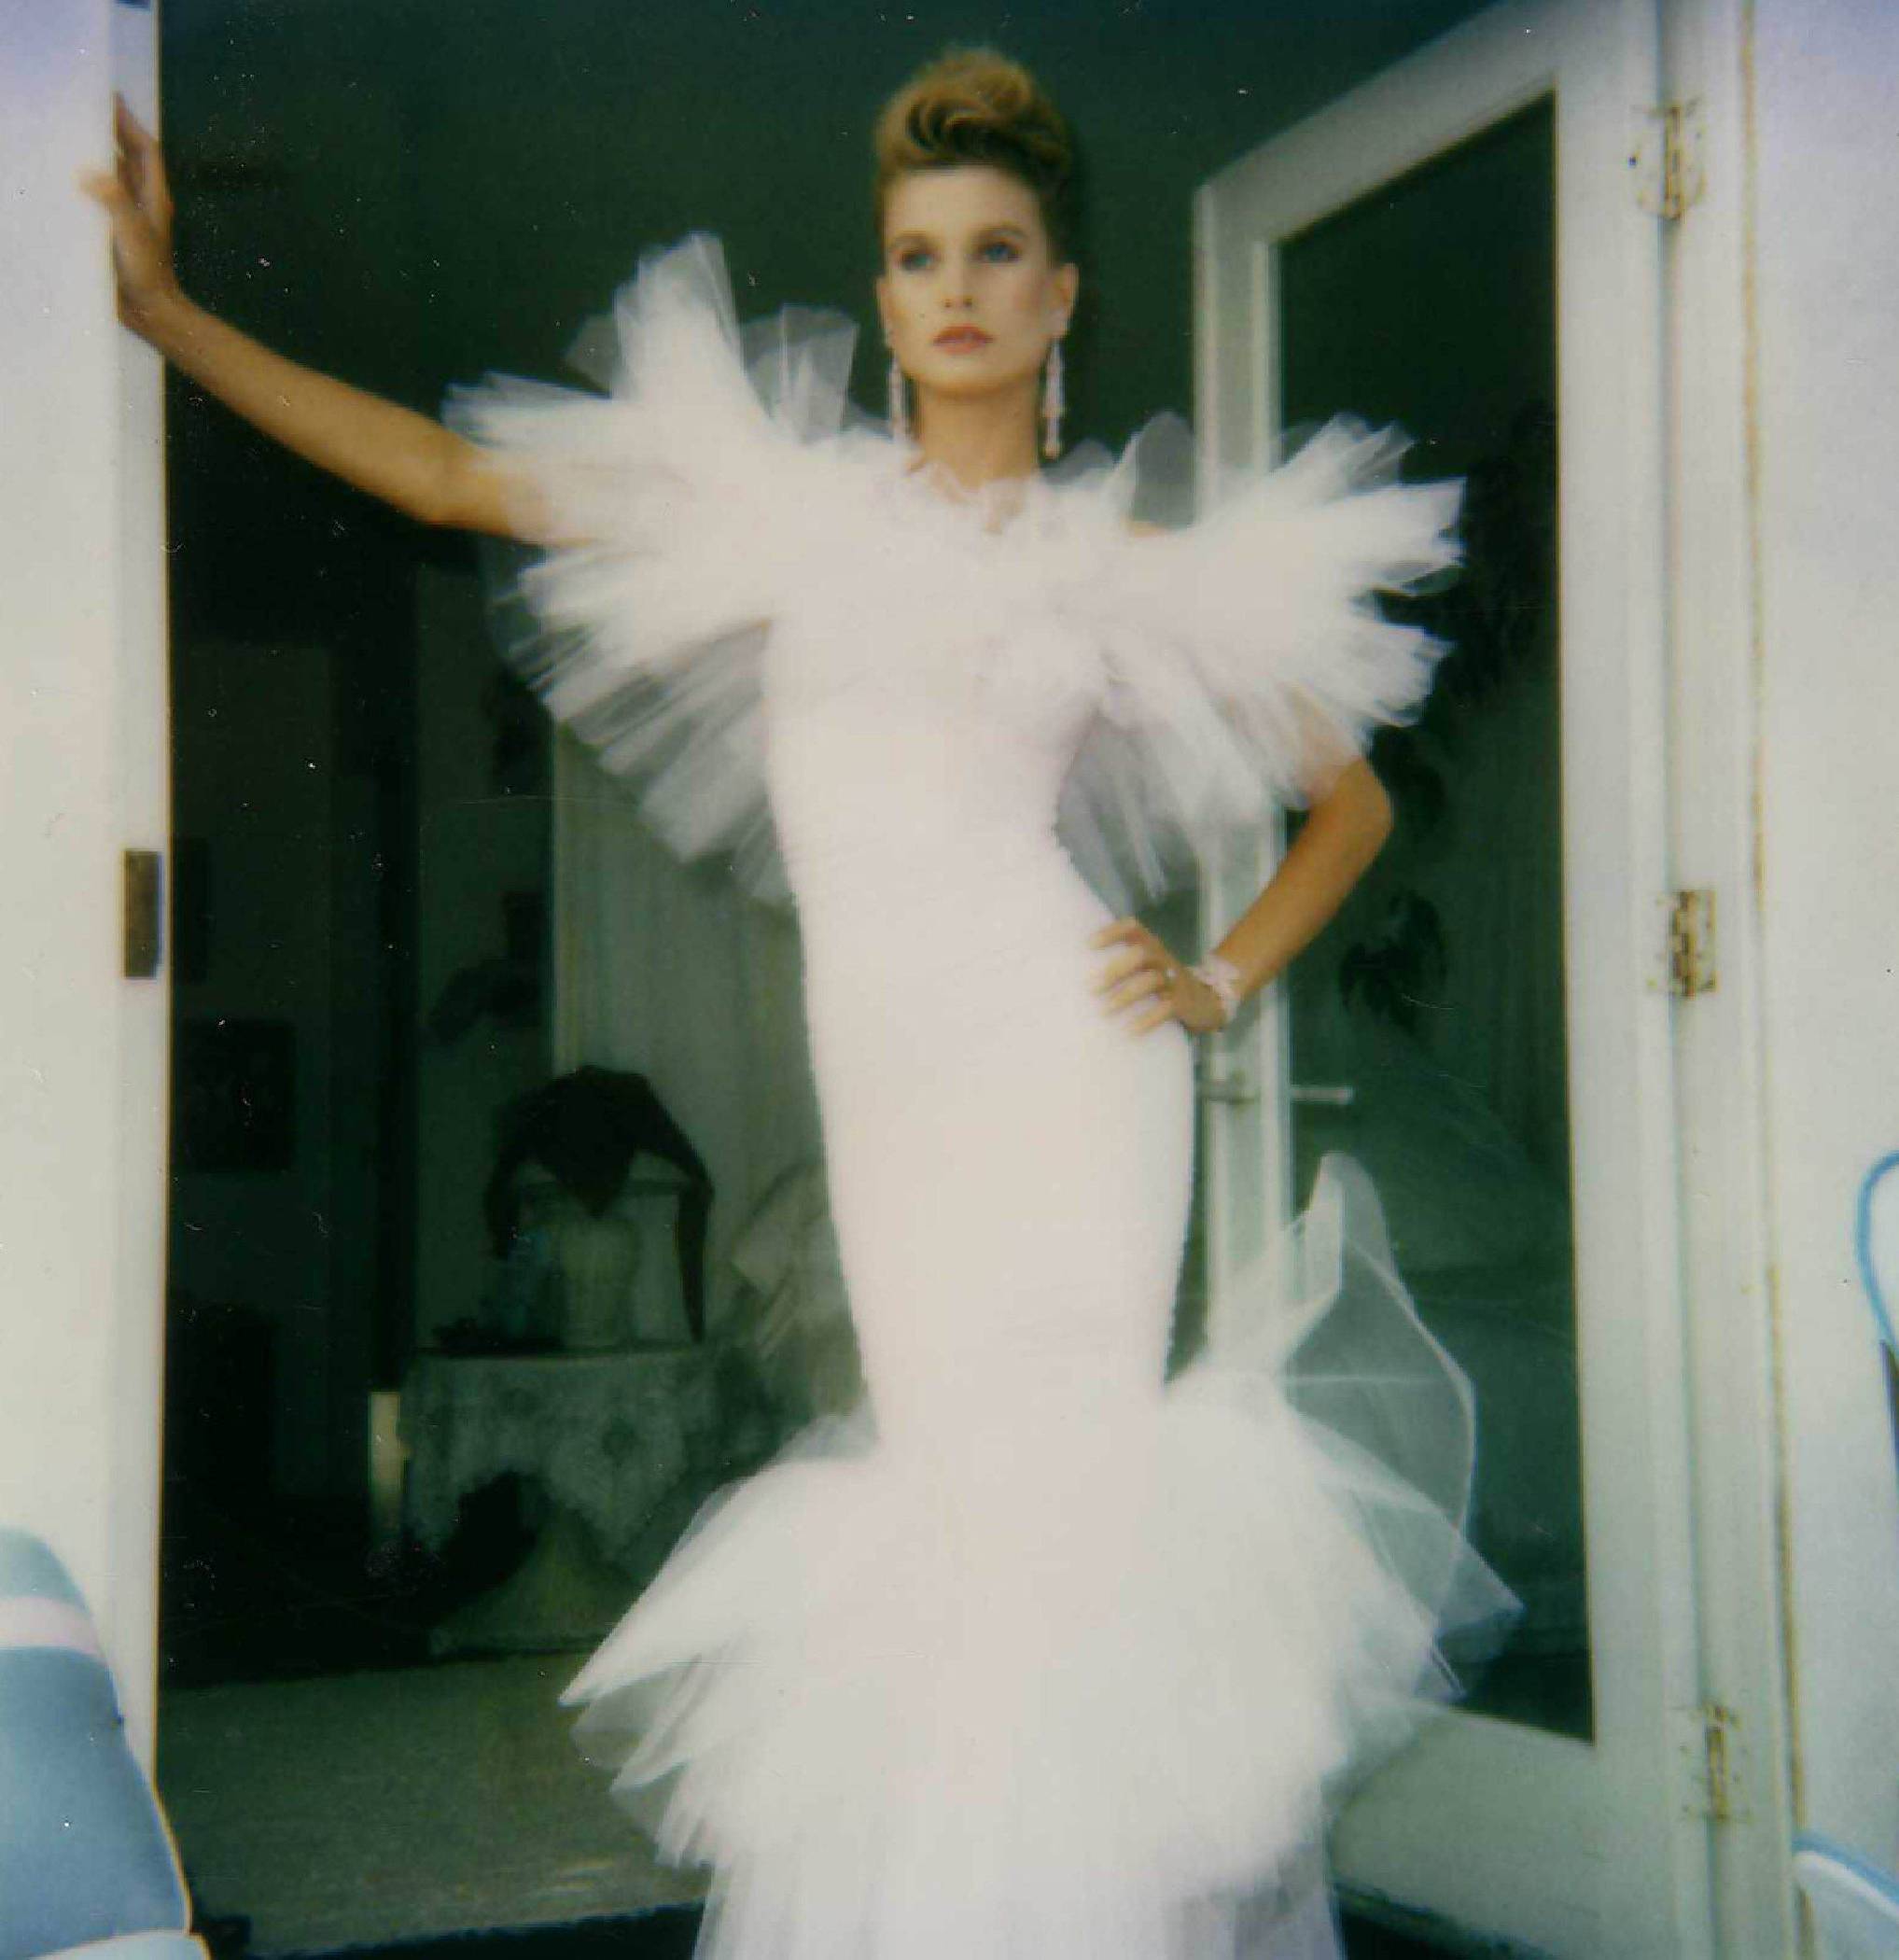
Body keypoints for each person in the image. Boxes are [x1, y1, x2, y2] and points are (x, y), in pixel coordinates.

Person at [90, 49, 1513, 1960]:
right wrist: (167, 315)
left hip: (1070, 1074)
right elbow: (445, 474)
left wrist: (1215, 978)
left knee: (1062, 1519)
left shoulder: (1122, 563)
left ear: (1060, 296)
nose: (955, 288)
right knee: (949, 1503)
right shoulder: (786, 512)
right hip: (903, 1089)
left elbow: (1354, 802)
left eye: (996, 251)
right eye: (918, 255)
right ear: (885, 296)